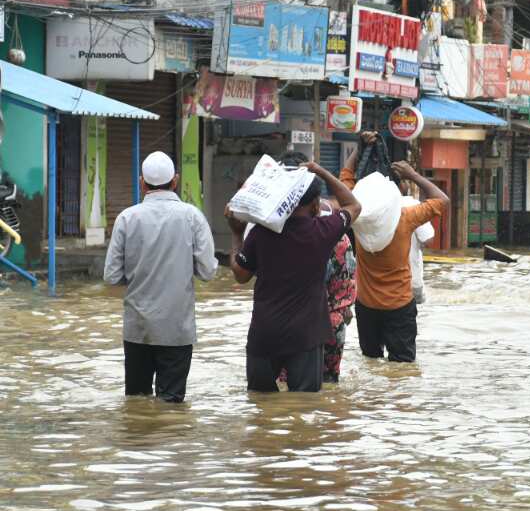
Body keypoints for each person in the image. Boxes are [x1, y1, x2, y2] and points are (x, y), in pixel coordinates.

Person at [227, 161, 362, 392]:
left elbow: (240, 275)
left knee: (261, 409)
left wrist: (237, 235)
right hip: (306, 338)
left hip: (264, 334)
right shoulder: (323, 231)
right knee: (304, 410)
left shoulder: (261, 233)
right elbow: (354, 205)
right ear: (315, 205)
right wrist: (320, 171)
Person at [104, 151, 217, 403]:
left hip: (137, 329)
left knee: (137, 403)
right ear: (175, 181)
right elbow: (208, 271)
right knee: (172, 407)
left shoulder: (127, 218)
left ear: (142, 182)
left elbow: (111, 276)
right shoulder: (193, 217)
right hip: (176, 329)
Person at [340, 134, 449, 363]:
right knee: (402, 368)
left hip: (366, 306)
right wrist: (412, 174)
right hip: (399, 305)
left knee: (370, 362)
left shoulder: (358, 218)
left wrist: (358, 150)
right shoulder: (405, 218)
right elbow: (442, 200)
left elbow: (345, 182)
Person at [277, 150, 357, 384]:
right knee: (326, 389)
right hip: (331, 322)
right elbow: (348, 276)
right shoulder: (335, 228)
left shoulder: (273, 232)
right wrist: (344, 308)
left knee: (284, 390)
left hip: (292, 324)